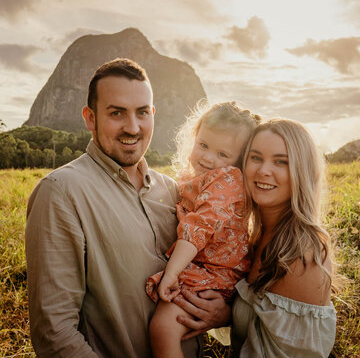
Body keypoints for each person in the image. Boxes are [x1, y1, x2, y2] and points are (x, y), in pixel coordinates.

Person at [25, 58, 228, 358]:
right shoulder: (61, 193)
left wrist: (222, 314)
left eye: (142, 112)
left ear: (153, 115)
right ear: (90, 118)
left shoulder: (172, 190)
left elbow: (210, 268)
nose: (132, 127)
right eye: (117, 113)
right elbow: (55, 334)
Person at [145, 102, 261, 358]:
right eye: (204, 145)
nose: (208, 158)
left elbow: (198, 228)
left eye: (223, 154)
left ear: (239, 161)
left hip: (217, 273)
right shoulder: (199, 177)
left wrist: (171, 274)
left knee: (163, 329)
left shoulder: (228, 180)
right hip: (205, 267)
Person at [231, 118, 337, 358]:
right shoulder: (254, 235)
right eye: (256, 158)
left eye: (281, 162)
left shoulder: (301, 256)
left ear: (302, 171)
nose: (263, 170)